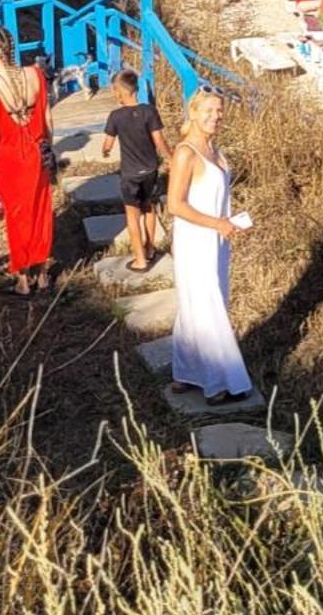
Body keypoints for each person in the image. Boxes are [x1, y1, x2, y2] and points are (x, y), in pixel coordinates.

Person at [168, 87, 253, 406]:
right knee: (207, 302)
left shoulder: (216, 151)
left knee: (201, 300)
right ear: (193, 112)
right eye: (208, 110)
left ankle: (186, 371)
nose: (215, 116)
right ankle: (220, 380)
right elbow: (175, 205)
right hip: (196, 238)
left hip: (217, 238)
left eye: (219, 111)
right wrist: (217, 223)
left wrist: (230, 221)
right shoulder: (186, 152)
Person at [0, 25, 54, 295]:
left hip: (10, 159)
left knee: (17, 216)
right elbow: (47, 119)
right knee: (41, 210)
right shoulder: (35, 75)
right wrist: (48, 149)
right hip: (37, 151)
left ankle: (23, 278)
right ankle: (43, 272)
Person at [102, 69, 172, 273]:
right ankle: (150, 248)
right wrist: (171, 158)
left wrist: (105, 151)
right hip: (150, 169)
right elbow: (159, 141)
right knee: (148, 207)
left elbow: (107, 143)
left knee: (132, 215)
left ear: (119, 92)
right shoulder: (149, 111)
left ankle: (140, 260)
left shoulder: (115, 116)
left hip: (130, 174)